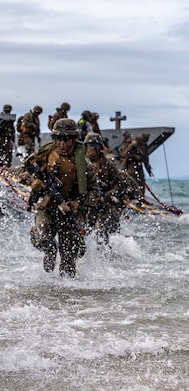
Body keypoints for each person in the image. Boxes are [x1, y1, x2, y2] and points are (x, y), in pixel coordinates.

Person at [23, 118, 98, 278]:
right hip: (47, 207)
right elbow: (23, 170)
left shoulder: (84, 163)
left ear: (74, 138)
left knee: (69, 256)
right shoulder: (45, 153)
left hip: (70, 212)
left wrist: (78, 203)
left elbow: (95, 191)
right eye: (58, 139)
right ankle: (50, 251)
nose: (62, 144)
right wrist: (33, 181)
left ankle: (67, 295)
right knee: (41, 237)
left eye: (67, 139)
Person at [83, 132, 131, 245]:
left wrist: (110, 193)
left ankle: (104, 256)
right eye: (91, 145)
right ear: (86, 146)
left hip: (103, 202)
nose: (93, 149)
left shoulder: (107, 164)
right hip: (85, 202)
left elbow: (120, 183)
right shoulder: (80, 163)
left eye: (96, 146)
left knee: (103, 232)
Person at [120, 132, 153, 199]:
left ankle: (141, 196)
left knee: (141, 181)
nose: (144, 143)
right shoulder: (133, 143)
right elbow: (124, 154)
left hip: (138, 166)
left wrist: (148, 168)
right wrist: (134, 156)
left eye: (145, 141)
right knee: (131, 179)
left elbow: (145, 157)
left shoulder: (144, 145)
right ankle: (131, 196)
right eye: (143, 141)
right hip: (130, 165)